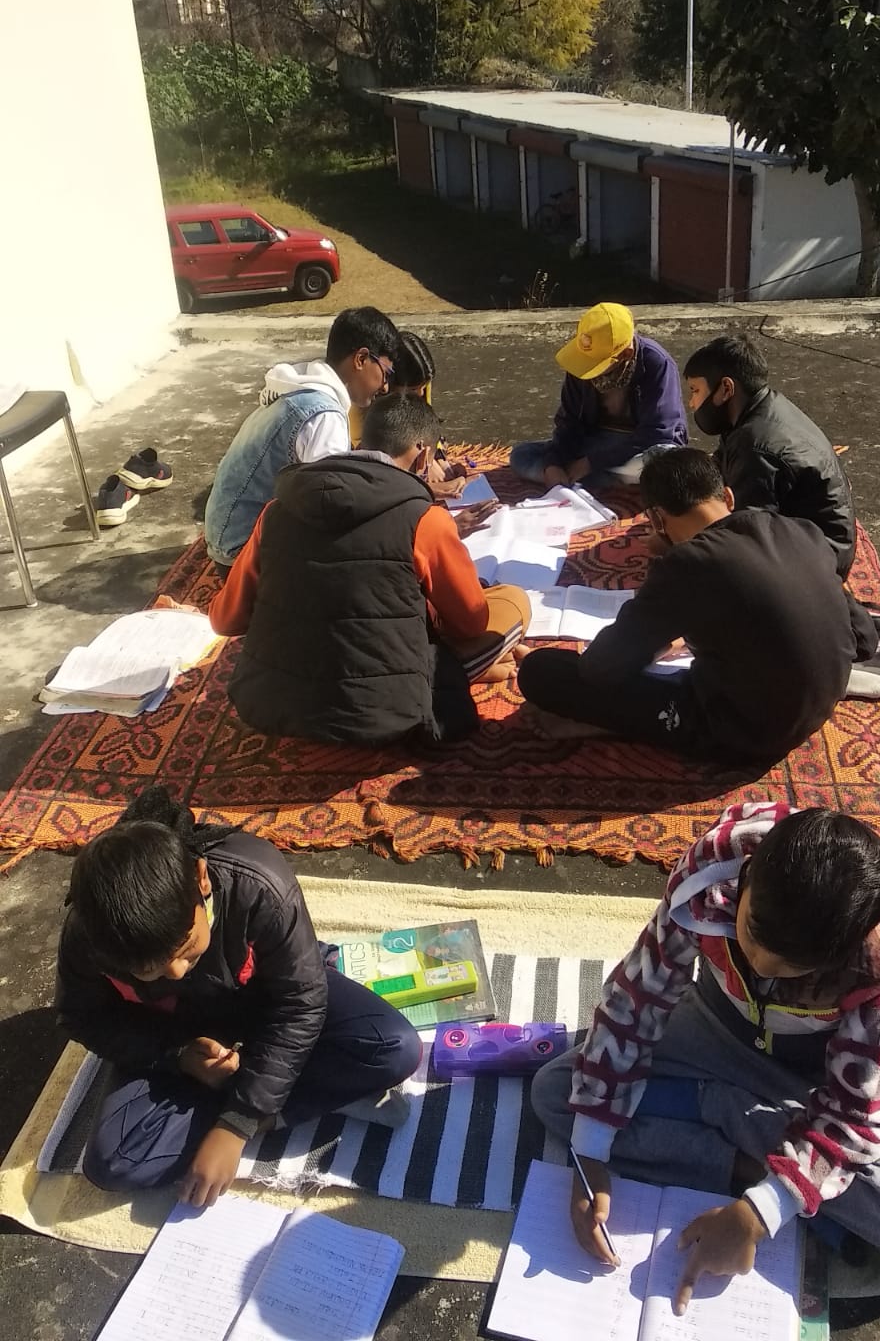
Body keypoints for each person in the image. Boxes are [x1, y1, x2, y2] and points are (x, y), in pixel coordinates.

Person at [531, 802, 880, 1305]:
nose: (760, 963)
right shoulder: (713, 870)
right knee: (559, 1093)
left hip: (814, 1072)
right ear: (746, 879)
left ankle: (732, 1129)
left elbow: (858, 1115)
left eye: (793, 966)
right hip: (712, 1027)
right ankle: (761, 1161)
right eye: (751, 932)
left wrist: (760, 1214)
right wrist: (591, 1151)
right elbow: (639, 999)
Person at [56, 786, 422, 1205]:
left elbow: (300, 1000)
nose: (174, 971)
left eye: (183, 946)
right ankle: (313, 1095)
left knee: (393, 1046)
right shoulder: (90, 935)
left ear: (201, 879)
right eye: (148, 970)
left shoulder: (257, 883)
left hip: (264, 999)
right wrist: (174, 1055)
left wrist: (237, 1125)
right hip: (174, 1032)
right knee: (116, 1162)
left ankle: (261, 1107)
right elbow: (83, 1016)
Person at [208, 393, 531, 746]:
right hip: (388, 712)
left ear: (362, 440)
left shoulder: (274, 513)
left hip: (271, 703)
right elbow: (471, 623)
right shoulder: (426, 520)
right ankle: (471, 671)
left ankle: (472, 668)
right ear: (423, 454)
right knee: (514, 600)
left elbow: (226, 621)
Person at [516, 447, 857, 769]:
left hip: (745, 734)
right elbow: (864, 637)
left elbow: (601, 667)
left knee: (540, 670)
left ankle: (614, 724)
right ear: (727, 496)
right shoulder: (801, 531)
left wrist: (656, 645)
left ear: (657, 520)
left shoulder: (686, 564)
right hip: (820, 707)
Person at [204, 306, 401, 572]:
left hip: (227, 536)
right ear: (361, 358)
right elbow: (331, 506)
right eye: (385, 373)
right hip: (243, 553)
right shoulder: (325, 414)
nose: (385, 387)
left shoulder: (302, 389)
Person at [683, 333, 856, 575]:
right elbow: (716, 469)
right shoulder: (758, 409)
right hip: (816, 540)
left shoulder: (755, 446)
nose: (691, 403)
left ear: (725, 388)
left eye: (695, 390)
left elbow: (747, 533)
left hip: (821, 562)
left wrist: (676, 541)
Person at [510, 302, 687, 490]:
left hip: (638, 447)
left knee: (664, 462)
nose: (588, 370)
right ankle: (605, 479)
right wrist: (552, 464)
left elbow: (657, 433)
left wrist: (590, 463)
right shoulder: (579, 364)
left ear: (626, 354)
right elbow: (570, 423)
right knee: (521, 455)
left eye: (596, 364)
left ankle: (589, 478)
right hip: (595, 443)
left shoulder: (657, 363)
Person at [348, 329, 465, 496]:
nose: (420, 395)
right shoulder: (362, 401)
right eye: (413, 389)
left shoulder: (419, 388)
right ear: (389, 383)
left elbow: (425, 425)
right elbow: (369, 460)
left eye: (424, 388)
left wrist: (437, 458)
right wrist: (424, 482)